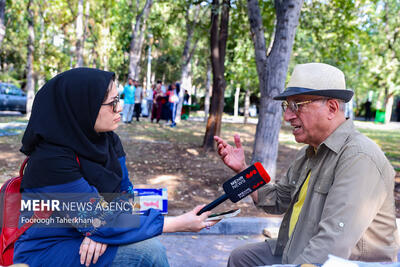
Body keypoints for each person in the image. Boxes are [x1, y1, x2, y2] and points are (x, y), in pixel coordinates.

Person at [14, 68, 217, 267]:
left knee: (142, 245)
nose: (119, 108)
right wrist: (178, 224)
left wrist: (103, 233)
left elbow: (124, 196)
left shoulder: (109, 141)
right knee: (150, 252)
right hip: (48, 248)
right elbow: (95, 217)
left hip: (88, 234)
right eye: (112, 103)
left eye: (118, 100)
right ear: (83, 107)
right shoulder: (50, 160)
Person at [214, 63, 399, 266]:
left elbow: (333, 242)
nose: (287, 116)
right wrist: (243, 170)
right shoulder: (310, 152)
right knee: (242, 258)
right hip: (299, 247)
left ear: (331, 108)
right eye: (287, 106)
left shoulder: (359, 158)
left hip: (345, 261)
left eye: (298, 105)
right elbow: (276, 200)